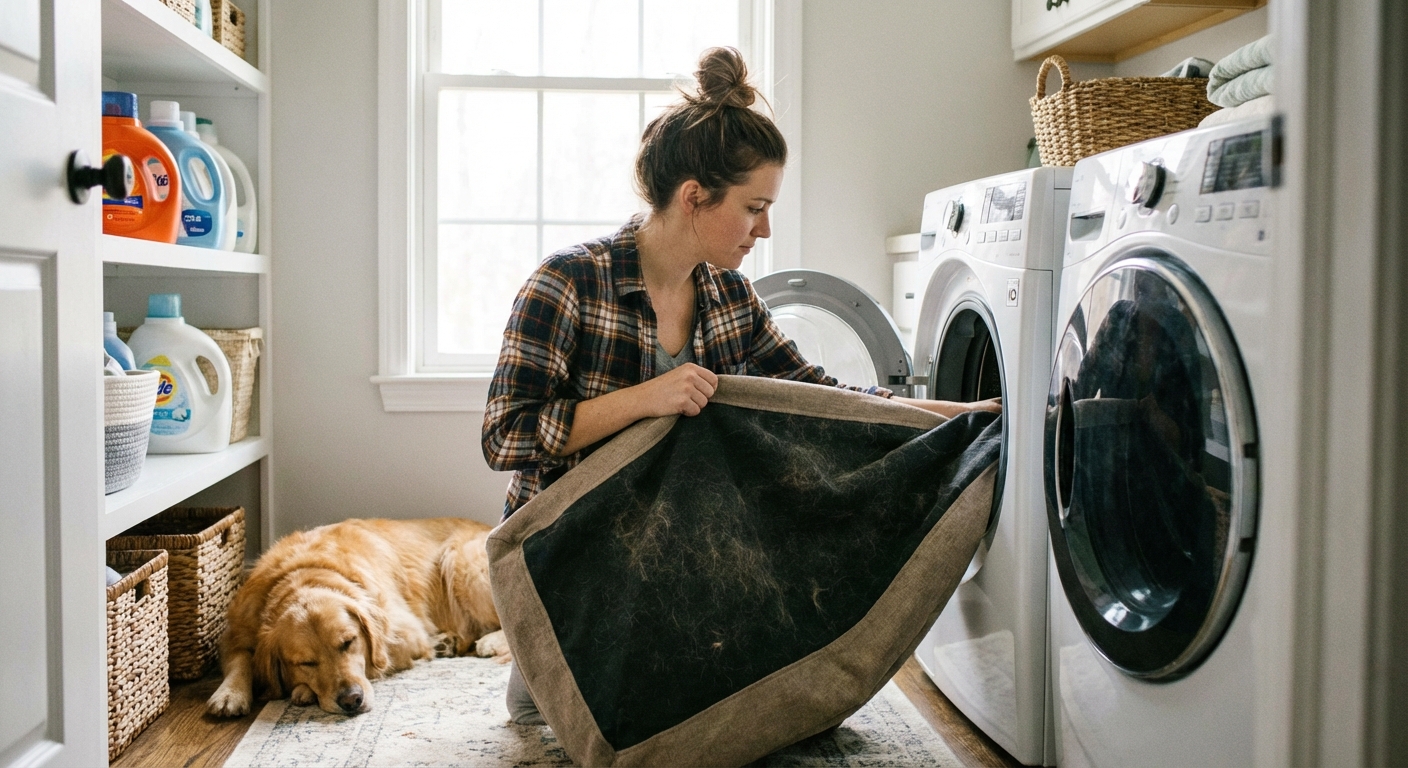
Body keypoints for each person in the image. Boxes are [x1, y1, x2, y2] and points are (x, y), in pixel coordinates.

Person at [481, 47, 999, 724]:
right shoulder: (569, 283)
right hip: (573, 562)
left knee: (731, 708)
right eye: (754, 207)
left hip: (680, 557)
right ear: (694, 198)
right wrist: (647, 399)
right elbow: (505, 436)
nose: (766, 228)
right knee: (550, 718)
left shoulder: (728, 296)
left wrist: (964, 414)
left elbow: (825, 399)